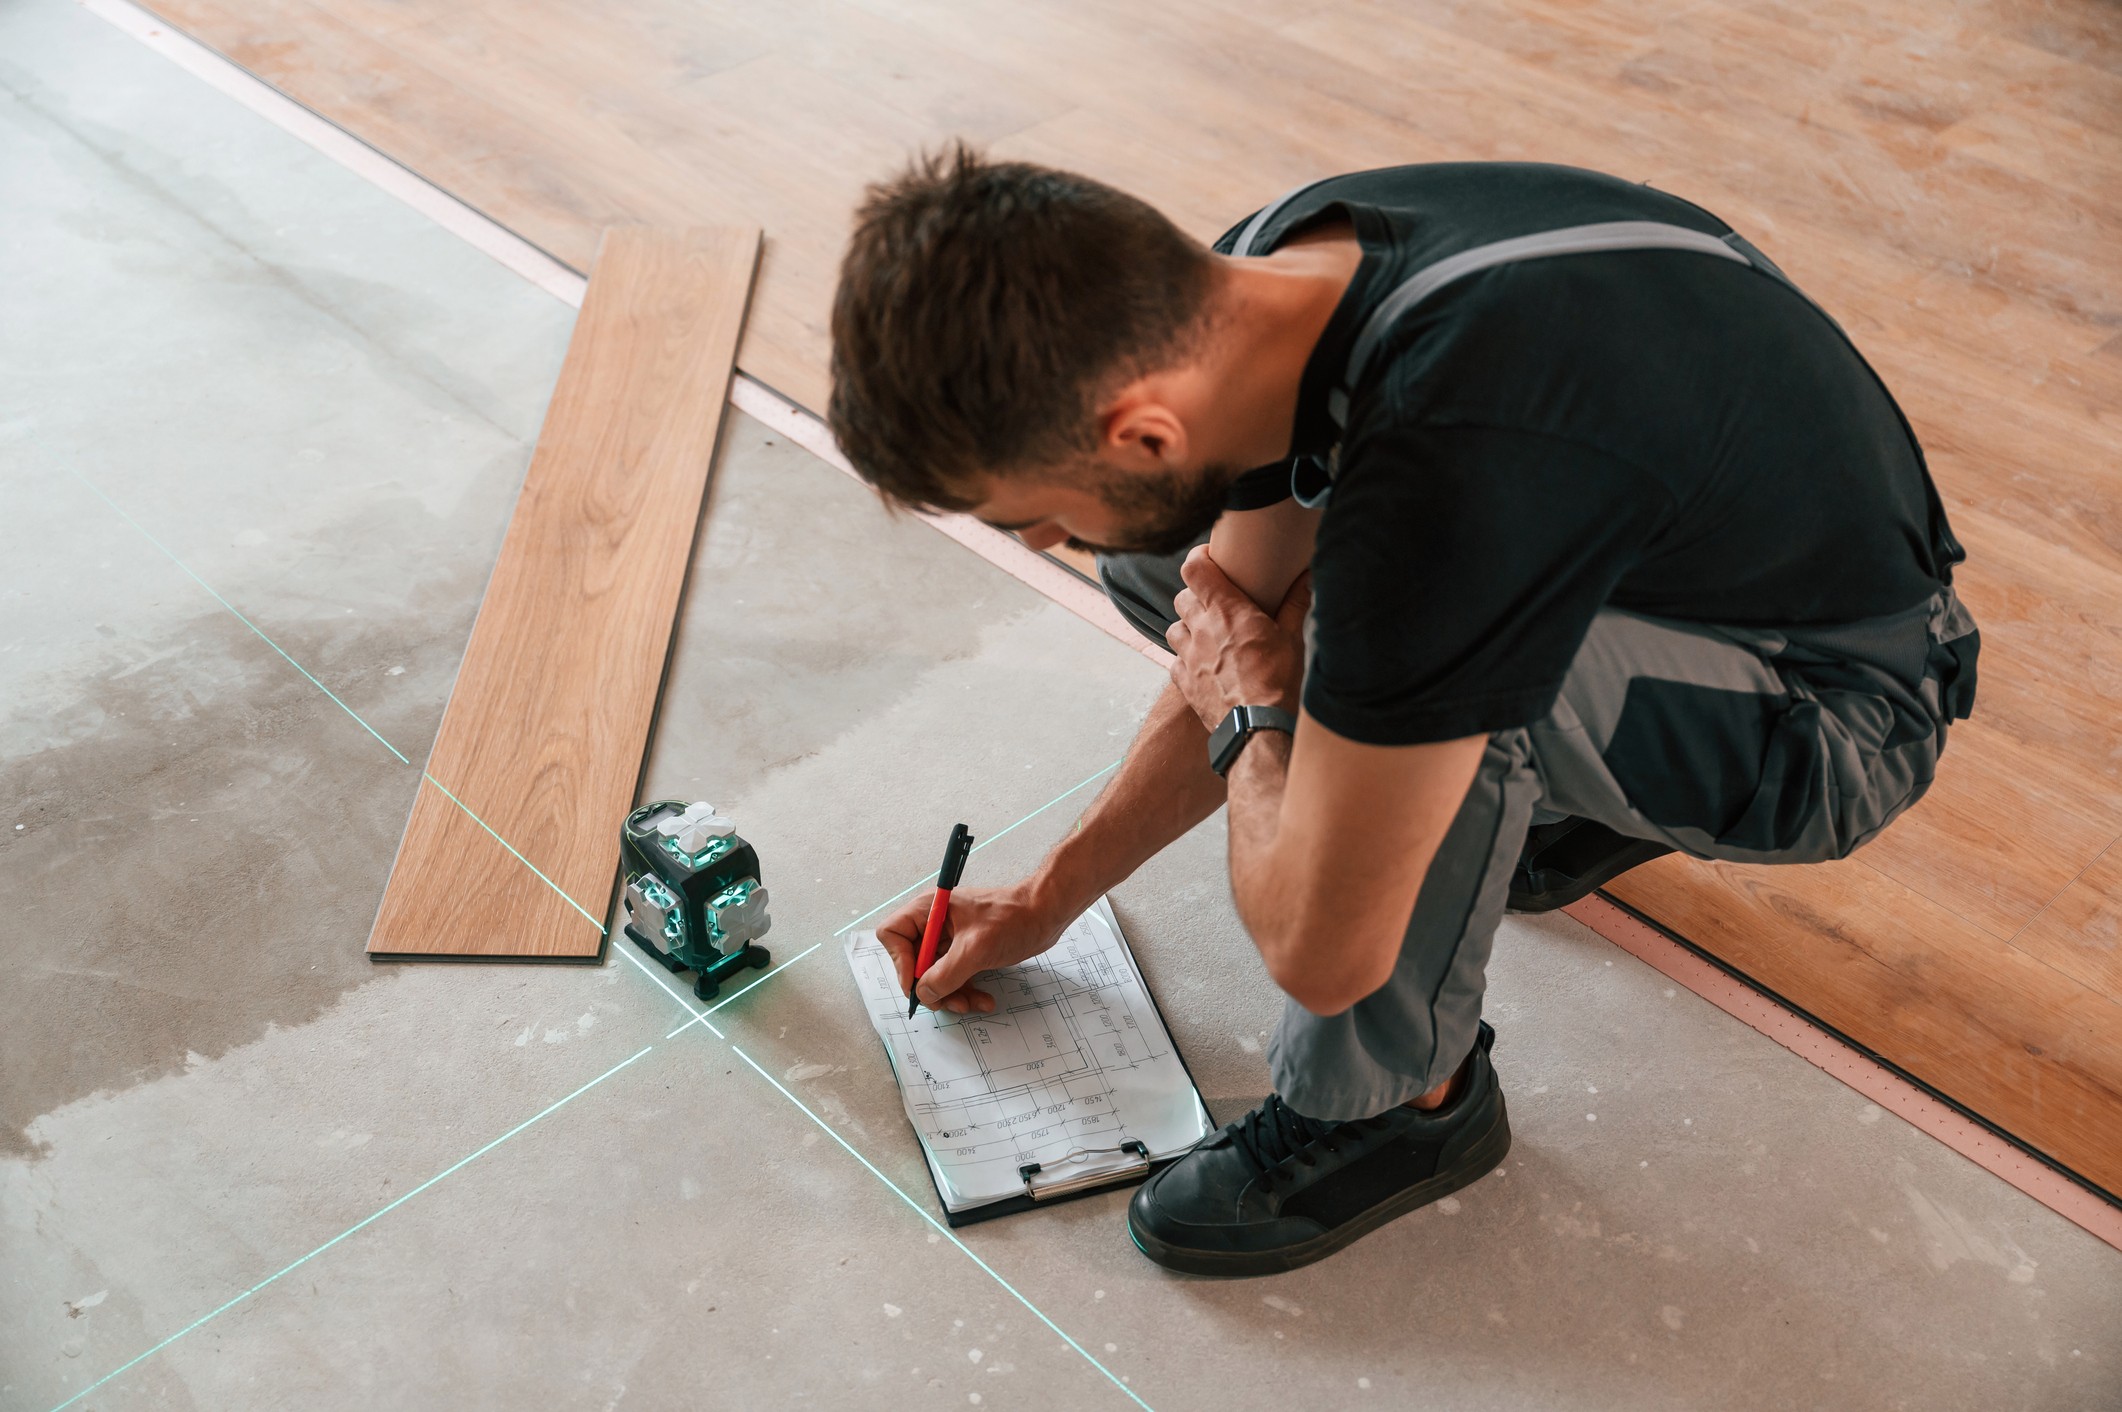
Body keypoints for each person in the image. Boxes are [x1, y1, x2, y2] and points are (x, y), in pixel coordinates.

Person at [826, 148, 1979, 1278]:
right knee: (1181, 575)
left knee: (1340, 665)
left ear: (1140, 428)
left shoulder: (1451, 476)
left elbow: (1319, 949)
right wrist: (1047, 897)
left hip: (1836, 715)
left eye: (1025, 513)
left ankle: (1398, 1104)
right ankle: (1538, 792)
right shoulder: (1265, 275)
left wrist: (1259, 709)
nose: (1032, 542)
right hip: (1685, 573)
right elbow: (1232, 616)